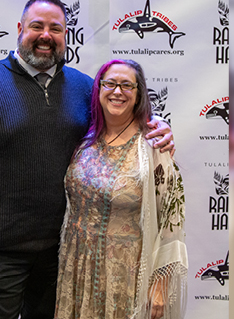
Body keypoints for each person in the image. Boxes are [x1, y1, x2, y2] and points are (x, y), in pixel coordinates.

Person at [0, 0, 175, 319]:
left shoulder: (85, 89)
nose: (46, 36)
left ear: (66, 36)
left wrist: (157, 127)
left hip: (62, 251)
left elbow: (121, 120)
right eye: (37, 26)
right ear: (19, 29)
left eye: (55, 29)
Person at [55, 59, 187, 319]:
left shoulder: (153, 147)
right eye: (111, 84)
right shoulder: (85, 139)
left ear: (139, 95)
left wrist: (159, 285)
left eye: (127, 85)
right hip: (77, 267)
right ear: (99, 90)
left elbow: (171, 219)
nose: (117, 91)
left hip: (126, 274)